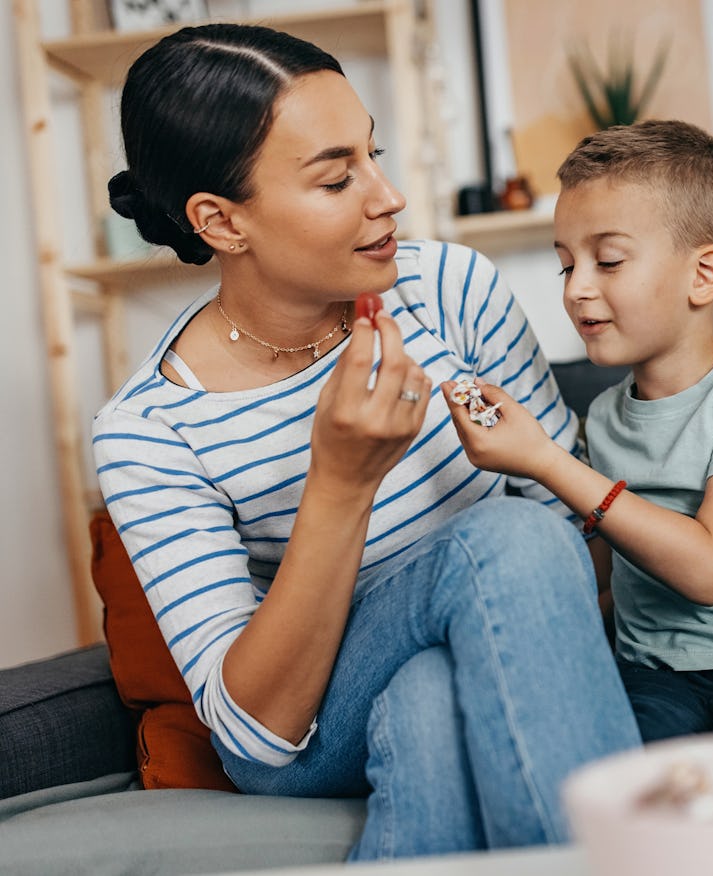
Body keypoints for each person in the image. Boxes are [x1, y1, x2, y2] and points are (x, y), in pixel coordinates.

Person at [91, 24, 639, 861]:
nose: (387, 197)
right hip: (308, 728)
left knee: (429, 693)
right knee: (508, 536)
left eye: (373, 156)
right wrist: (341, 484)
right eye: (338, 177)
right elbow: (259, 732)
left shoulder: (450, 290)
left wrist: (541, 476)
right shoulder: (149, 431)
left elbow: (590, 567)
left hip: (505, 651)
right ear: (221, 221)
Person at [447, 120, 713, 743]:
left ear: (704, 275)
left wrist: (545, 460)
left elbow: (710, 569)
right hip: (654, 674)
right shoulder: (607, 417)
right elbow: (613, 570)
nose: (577, 289)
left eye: (608, 260)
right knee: (627, 782)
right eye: (567, 266)